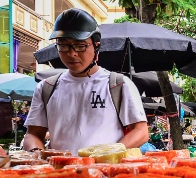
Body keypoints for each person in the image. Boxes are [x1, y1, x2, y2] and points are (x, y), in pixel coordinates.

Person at [23, 8, 148, 154]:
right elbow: (33, 134)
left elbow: (140, 132)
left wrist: (107, 154)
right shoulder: (46, 87)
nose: (71, 53)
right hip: (61, 173)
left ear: (96, 45)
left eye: (80, 45)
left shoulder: (118, 84)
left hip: (105, 173)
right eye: (63, 46)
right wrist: (37, 152)